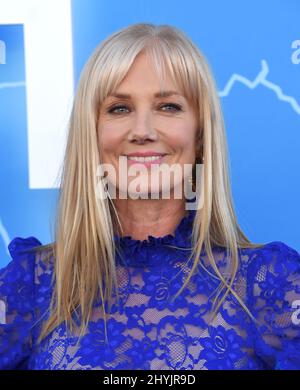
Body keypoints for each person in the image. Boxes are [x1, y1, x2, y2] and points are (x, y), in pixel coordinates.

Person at [1, 23, 300, 370]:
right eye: (119, 108)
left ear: (201, 134)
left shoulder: (269, 283)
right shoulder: (33, 284)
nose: (142, 131)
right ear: (91, 134)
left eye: (168, 107)